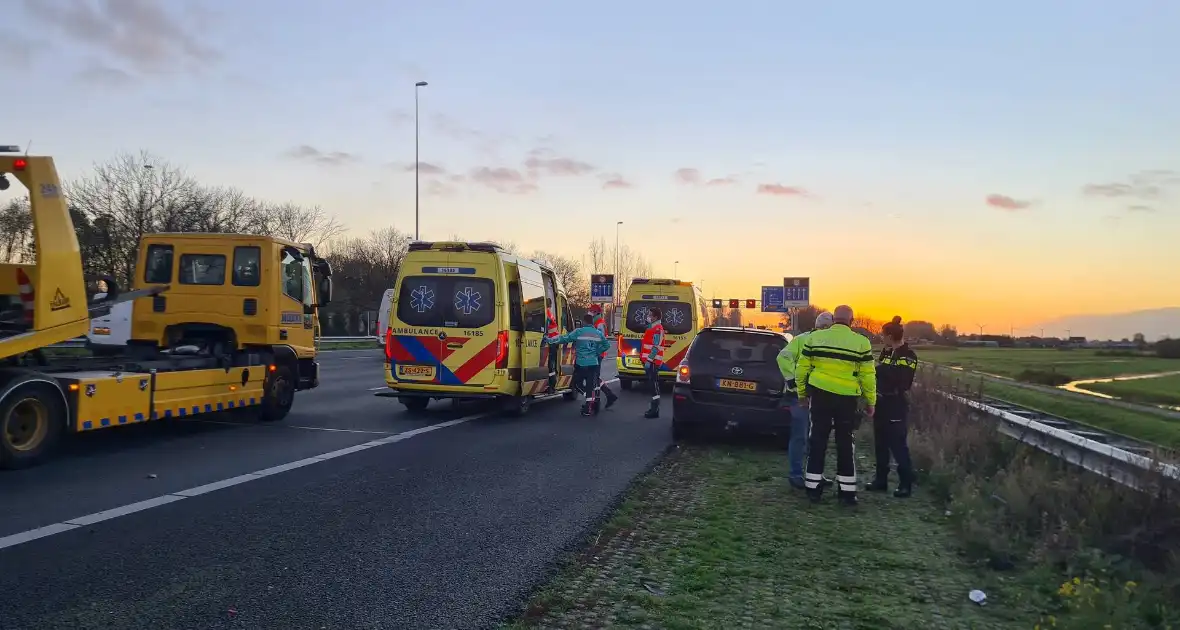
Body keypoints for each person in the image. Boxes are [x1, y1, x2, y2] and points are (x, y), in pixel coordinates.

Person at [796, 304, 877, 506]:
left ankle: (813, 489)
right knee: (845, 444)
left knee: (817, 441)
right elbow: (868, 376)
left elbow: (802, 368)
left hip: (820, 395)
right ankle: (847, 493)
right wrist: (871, 401)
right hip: (847, 399)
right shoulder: (861, 343)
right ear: (852, 320)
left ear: (833, 320)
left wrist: (802, 394)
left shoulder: (815, 339)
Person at [776, 311, 834, 490]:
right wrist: (794, 380)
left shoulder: (814, 340)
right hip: (801, 397)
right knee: (801, 436)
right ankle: (796, 475)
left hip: (817, 396)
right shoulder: (804, 340)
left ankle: (813, 474)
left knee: (814, 438)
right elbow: (783, 357)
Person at [868, 316, 919, 498]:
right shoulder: (888, 353)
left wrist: (880, 371)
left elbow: (903, 381)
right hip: (881, 403)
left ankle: (905, 484)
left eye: (883, 335)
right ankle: (880, 480)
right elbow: (881, 371)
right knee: (880, 444)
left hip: (895, 405)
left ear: (890, 336)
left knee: (898, 447)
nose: (881, 338)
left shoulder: (908, 356)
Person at [544, 312, 611, 416]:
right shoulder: (598, 333)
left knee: (576, 384)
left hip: (581, 363)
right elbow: (607, 345)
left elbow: (563, 338)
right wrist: (597, 352)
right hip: (593, 363)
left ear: (584, 322)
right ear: (592, 322)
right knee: (590, 386)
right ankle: (589, 407)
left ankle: (590, 399)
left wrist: (549, 340)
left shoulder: (579, 332)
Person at [588, 304, 619, 411]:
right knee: (595, 377)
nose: (590, 312)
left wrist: (595, 351)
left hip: (597, 354)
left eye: (591, 311)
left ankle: (601, 398)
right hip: (596, 353)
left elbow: (600, 340)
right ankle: (603, 397)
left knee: (594, 376)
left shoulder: (599, 323)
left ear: (596, 312)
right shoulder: (597, 322)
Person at [640, 307, 665, 419]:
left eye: (650, 315)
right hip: (650, 361)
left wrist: (649, 360)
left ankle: (655, 410)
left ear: (655, 317)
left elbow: (656, 347)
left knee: (653, 385)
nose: (648, 317)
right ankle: (653, 409)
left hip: (653, 362)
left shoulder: (658, 329)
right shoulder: (652, 328)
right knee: (652, 385)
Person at [545, 298, 561, 393]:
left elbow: (546, 328)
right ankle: (552, 385)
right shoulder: (550, 313)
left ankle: (551, 385)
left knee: (551, 364)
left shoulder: (546, 313)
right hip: (555, 341)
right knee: (552, 363)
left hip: (551, 342)